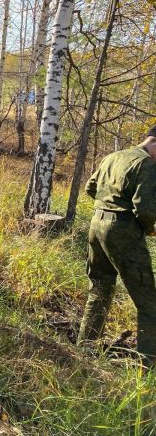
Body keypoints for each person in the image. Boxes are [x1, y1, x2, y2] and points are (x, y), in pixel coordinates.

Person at [77, 129, 156, 367]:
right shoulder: (147, 164)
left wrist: (110, 204)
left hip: (96, 225)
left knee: (100, 288)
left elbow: (90, 188)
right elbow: (145, 208)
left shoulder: (114, 156)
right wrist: (150, 228)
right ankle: (149, 364)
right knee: (148, 302)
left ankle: (85, 348)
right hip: (122, 230)